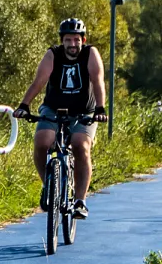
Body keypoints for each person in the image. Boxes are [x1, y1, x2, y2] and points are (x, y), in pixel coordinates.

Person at [16, 17, 106, 219]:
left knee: (80, 145)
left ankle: (80, 201)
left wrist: (100, 108)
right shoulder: (53, 54)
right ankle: (49, 185)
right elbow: (39, 81)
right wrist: (24, 105)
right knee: (42, 142)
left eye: (76, 40)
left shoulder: (91, 53)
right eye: (68, 40)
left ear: (83, 40)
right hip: (53, 108)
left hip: (84, 110)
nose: (72, 44)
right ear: (62, 40)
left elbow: (98, 81)